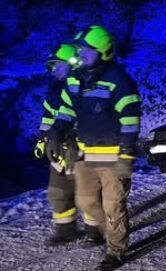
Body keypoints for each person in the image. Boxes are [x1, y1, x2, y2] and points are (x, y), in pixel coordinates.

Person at [46, 25, 141, 269]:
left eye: (87, 51)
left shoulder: (118, 80)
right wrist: (55, 133)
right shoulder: (76, 80)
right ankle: (110, 231)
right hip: (87, 154)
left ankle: (115, 251)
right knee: (86, 201)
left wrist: (126, 154)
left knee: (113, 205)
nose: (81, 55)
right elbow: (66, 111)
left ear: (104, 52)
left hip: (114, 155)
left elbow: (130, 120)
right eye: (80, 51)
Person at [35, 44, 80, 245]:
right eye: (52, 66)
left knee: (90, 193)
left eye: (57, 65)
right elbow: (47, 117)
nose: (54, 70)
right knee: (57, 191)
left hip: (81, 148)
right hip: (58, 148)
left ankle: (97, 231)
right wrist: (42, 139)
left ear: (71, 65)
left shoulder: (83, 86)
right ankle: (66, 231)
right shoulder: (54, 90)